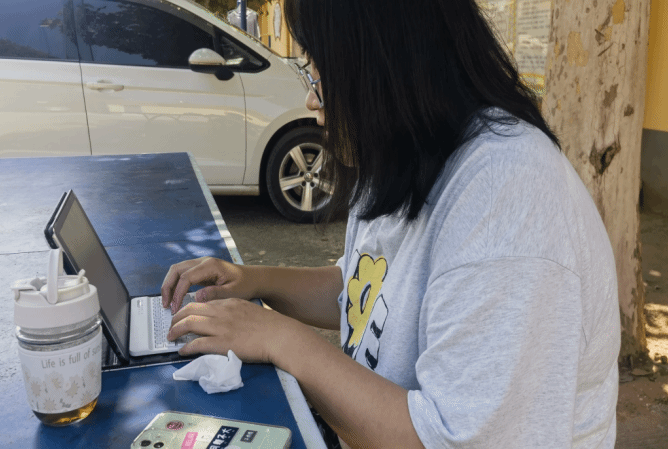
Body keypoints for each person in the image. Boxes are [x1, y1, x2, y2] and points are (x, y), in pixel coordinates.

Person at [161, 0, 621, 447]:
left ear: (382, 66)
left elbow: (443, 438)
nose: (311, 99)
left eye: (320, 75)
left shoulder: (507, 201)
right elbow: (366, 292)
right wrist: (256, 282)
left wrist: (278, 338)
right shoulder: (405, 155)